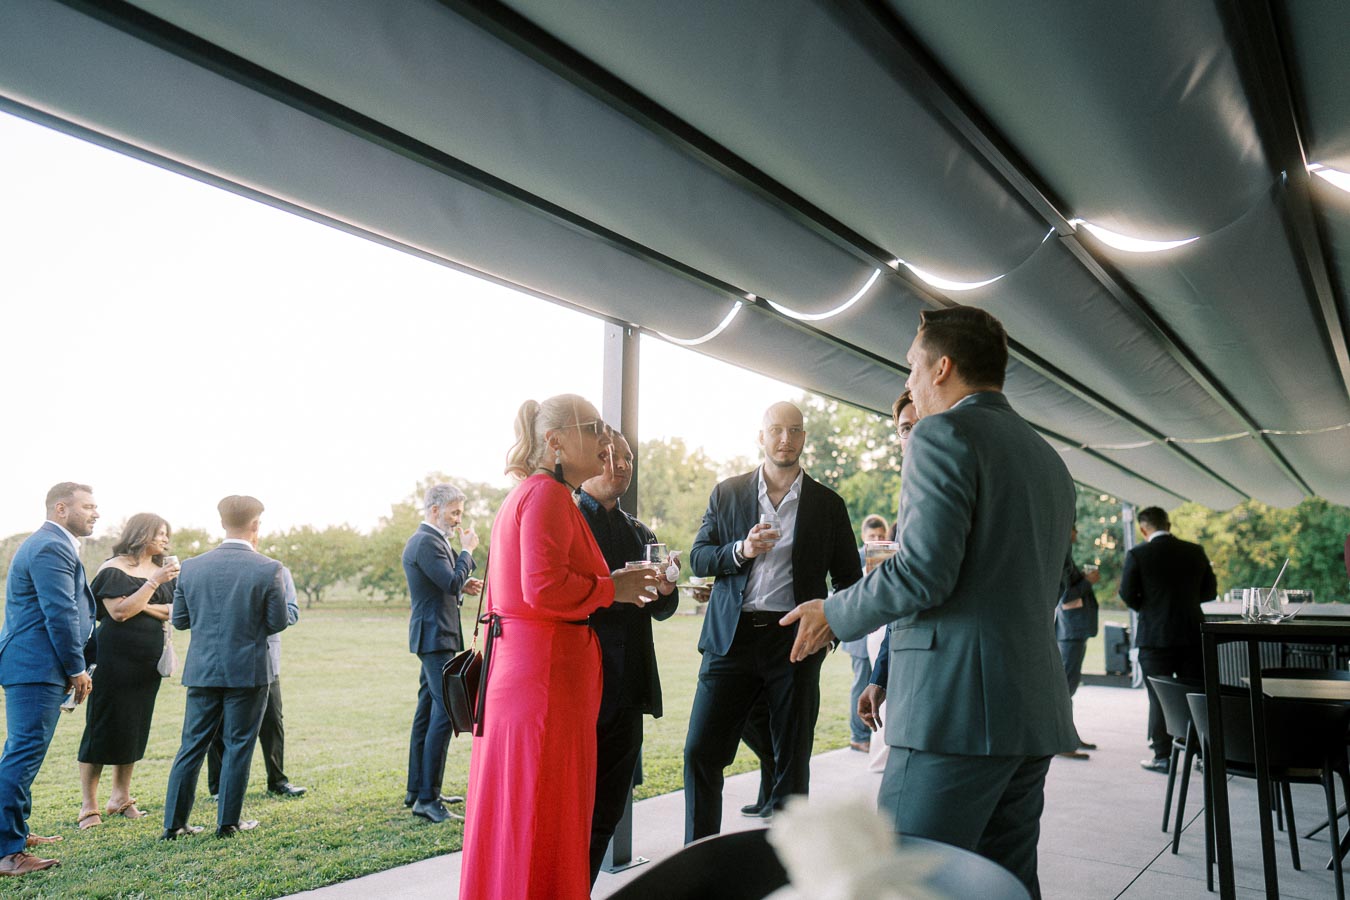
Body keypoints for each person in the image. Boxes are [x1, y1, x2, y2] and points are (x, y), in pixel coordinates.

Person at [784, 307, 1078, 898]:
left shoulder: (942, 434)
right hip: (1029, 712)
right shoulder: (1046, 458)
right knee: (1003, 886)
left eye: (912, 367)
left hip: (955, 713)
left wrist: (833, 611)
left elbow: (923, 571)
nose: (910, 384)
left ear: (942, 367)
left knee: (901, 884)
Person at [459, 395, 658, 900]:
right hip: (543, 687)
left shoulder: (530, 494)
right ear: (555, 443)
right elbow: (543, 588)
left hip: (531, 678)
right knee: (543, 818)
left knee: (527, 817)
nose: (605, 439)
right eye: (592, 428)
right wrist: (615, 588)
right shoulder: (546, 496)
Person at [684, 401, 862, 842]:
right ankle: (698, 860)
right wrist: (741, 550)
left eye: (795, 430)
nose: (786, 439)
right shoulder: (727, 493)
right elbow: (699, 556)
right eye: (777, 430)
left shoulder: (828, 504)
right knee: (700, 752)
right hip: (732, 638)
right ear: (761, 437)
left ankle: (781, 870)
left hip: (796, 640)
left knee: (792, 763)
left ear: (804, 438)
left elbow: (849, 580)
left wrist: (830, 625)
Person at [577, 432, 680, 884]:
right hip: (579, 688)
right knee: (571, 808)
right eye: (609, 457)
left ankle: (581, 889)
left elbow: (661, 610)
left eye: (628, 459)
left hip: (629, 688)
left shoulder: (641, 533)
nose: (619, 465)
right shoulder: (565, 521)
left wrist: (667, 589)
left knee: (609, 807)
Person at [160, 495, 290, 840]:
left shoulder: (191, 566)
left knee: (191, 746)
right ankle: (228, 823)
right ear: (256, 524)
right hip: (249, 671)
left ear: (221, 523)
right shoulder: (269, 568)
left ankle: (174, 825)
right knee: (239, 745)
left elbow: (183, 621)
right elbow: (277, 621)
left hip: (202, 669)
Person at [0, 483, 98, 876]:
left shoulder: (52, 544)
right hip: (35, 666)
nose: (96, 513)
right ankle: (7, 852)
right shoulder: (50, 546)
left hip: (36, 665)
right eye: (88, 506)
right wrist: (76, 668)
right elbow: (59, 612)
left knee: (23, 754)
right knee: (22, 756)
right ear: (61, 508)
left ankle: (15, 835)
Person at [76, 513, 180, 829]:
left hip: (147, 663)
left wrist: (143, 601)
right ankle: (88, 806)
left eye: (166, 534)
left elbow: (173, 611)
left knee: (134, 725)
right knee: (103, 724)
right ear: (141, 534)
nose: (165, 540)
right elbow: (119, 612)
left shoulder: (162, 571)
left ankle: (120, 797)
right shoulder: (114, 569)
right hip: (113, 659)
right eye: (160, 533)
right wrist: (153, 585)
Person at [403, 483, 483, 823]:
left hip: (437, 636)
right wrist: (467, 553)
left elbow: (448, 584)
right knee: (445, 715)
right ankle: (428, 799)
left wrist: (461, 583)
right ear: (434, 510)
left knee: (426, 713)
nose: (457, 520)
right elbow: (449, 582)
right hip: (436, 638)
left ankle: (417, 790)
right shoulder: (426, 541)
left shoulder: (432, 542)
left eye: (459, 513)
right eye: (454, 513)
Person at [1119, 506, 1216, 774]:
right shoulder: (1194, 551)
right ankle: (1201, 755)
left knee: (1159, 696)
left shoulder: (1138, 554)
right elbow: (1209, 592)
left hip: (1154, 637)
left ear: (1143, 528)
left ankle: (1163, 756)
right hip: (1192, 634)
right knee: (1196, 695)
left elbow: (1127, 593)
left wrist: (1150, 609)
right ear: (1169, 524)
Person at [858, 391, 919, 764]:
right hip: (901, 652)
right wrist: (880, 677)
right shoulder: (909, 491)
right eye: (905, 429)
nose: (912, 437)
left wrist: (833, 616)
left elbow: (914, 585)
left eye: (921, 425)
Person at [206, 566, 303, 801]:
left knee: (272, 722)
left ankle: (278, 781)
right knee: (219, 723)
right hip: (223, 658)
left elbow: (291, 612)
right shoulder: (216, 571)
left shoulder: (279, 572)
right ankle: (219, 787)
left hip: (265, 658)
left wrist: (253, 615)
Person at [841, 514, 888, 753]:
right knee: (861, 684)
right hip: (861, 635)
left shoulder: (891, 556)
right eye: (873, 536)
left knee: (877, 683)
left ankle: (874, 735)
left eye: (881, 536)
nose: (877, 540)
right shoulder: (856, 558)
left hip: (883, 632)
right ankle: (858, 736)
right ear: (863, 536)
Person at [1055, 530, 1099, 761]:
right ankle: (1063, 740)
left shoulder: (1066, 554)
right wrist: (1087, 582)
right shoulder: (1061, 555)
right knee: (1066, 687)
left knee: (1070, 686)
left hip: (1075, 631)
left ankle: (1069, 735)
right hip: (1070, 631)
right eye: (1073, 527)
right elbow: (1065, 595)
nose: (1077, 532)